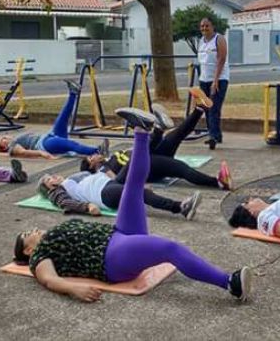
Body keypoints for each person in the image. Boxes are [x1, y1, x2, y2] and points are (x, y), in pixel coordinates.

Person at [13, 110, 252, 303]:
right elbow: (49, 280)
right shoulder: (40, 256)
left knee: (134, 186)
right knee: (170, 248)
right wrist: (74, 289)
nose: (33, 230)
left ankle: (141, 130)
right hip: (111, 259)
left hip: (118, 234)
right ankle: (230, 283)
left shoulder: (78, 178)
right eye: (27, 235)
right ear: (28, 250)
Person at [80, 91, 233, 190]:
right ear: (92, 165)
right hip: (147, 167)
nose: (94, 155)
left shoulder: (110, 158)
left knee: (174, 136)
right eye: (91, 157)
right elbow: (115, 182)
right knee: (180, 168)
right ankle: (219, 183)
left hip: (150, 155)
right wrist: (137, 186)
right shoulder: (103, 170)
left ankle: (200, 109)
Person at [0, 80, 108, 158]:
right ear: (4, 147)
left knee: (62, 118)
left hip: (49, 136)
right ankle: (97, 151)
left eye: (2, 137)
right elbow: (23, 152)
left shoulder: (14, 140)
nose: (4, 138)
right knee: (72, 144)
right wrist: (41, 154)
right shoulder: (12, 146)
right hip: (45, 144)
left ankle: (73, 92)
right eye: (2, 140)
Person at [38, 170, 202, 220]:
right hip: (103, 193)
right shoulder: (57, 191)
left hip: (109, 184)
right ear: (49, 187)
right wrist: (86, 207)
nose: (53, 177)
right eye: (48, 179)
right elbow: (64, 203)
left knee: (135, 173)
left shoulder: (70, 180)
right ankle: (181, 207)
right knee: (141, 193)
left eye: (51, 175)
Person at [198, 17, 230, 150]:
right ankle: (216, 134)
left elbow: (221, 59)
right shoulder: (202, 41)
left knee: (214, 108)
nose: (204, 28)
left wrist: (215, 80)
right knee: (206, 107)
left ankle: (213, 136)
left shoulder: (219, 39)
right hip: (204, 79)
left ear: (212, 27)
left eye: (207, 26)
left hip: (218, 79)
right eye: (202, 26)